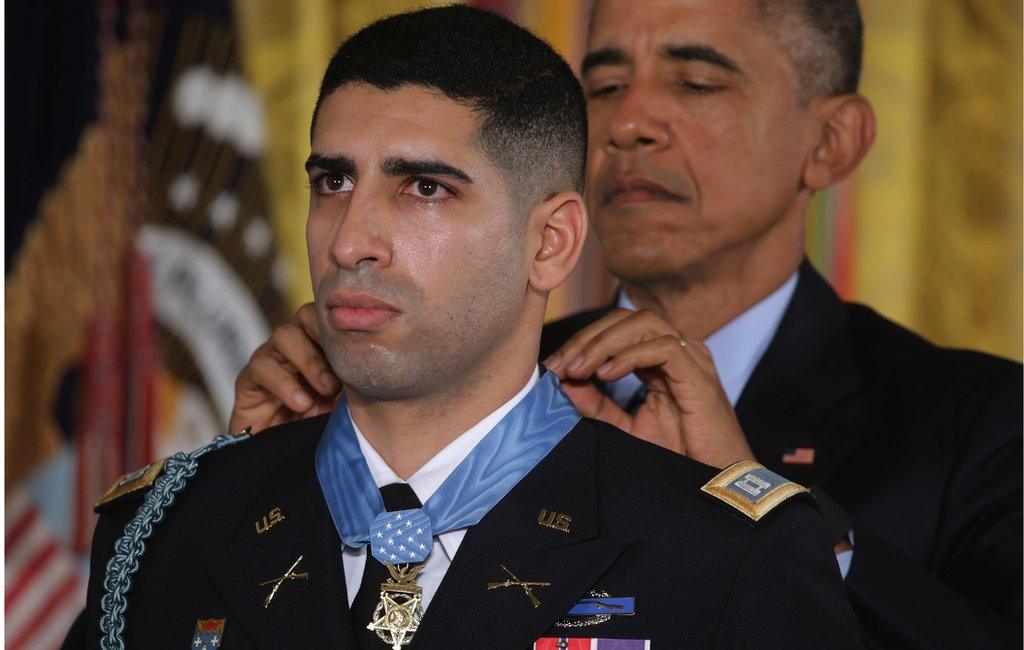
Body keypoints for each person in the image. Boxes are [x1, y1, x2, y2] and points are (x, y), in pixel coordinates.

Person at [230, 1, 1023, 648]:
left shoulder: (977, 419)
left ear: (831, 141)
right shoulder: (456, 379)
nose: (629, 124)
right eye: (604, 87)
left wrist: (778, 515)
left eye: (696, 83)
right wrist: (293, 477)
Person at [66, 6, 862, 649]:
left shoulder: (723, 549)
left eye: (424, 188)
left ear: (550, 244)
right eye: (333, 181)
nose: (349, 241)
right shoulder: (166, 525)